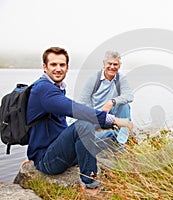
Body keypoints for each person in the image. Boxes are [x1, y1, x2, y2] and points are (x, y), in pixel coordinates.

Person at [26, 47, 133, 189]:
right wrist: (113, 120)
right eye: (53, 65)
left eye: (62, 65)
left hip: (60, 149)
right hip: (48, 160)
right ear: (45, 67)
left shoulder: (56, 87)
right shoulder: (43, 89)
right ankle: (90, 182)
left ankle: (117, 143)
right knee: (84, 125)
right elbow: (75, 108)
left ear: (67, 67)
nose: (58, 69)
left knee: (111, 135)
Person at [78, 51, 133, 144]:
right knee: (89, 138)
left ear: (119, 65)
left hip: (110, 115)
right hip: (95, 116)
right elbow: (82, 103)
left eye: (115, 64)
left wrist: (111, 102)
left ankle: (121, 143)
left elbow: (129, 96)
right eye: (109, 63)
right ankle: (106, 136)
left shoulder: (121, 78)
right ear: (104, 63)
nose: (112, 67)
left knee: (125, 106)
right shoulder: (93, 79)